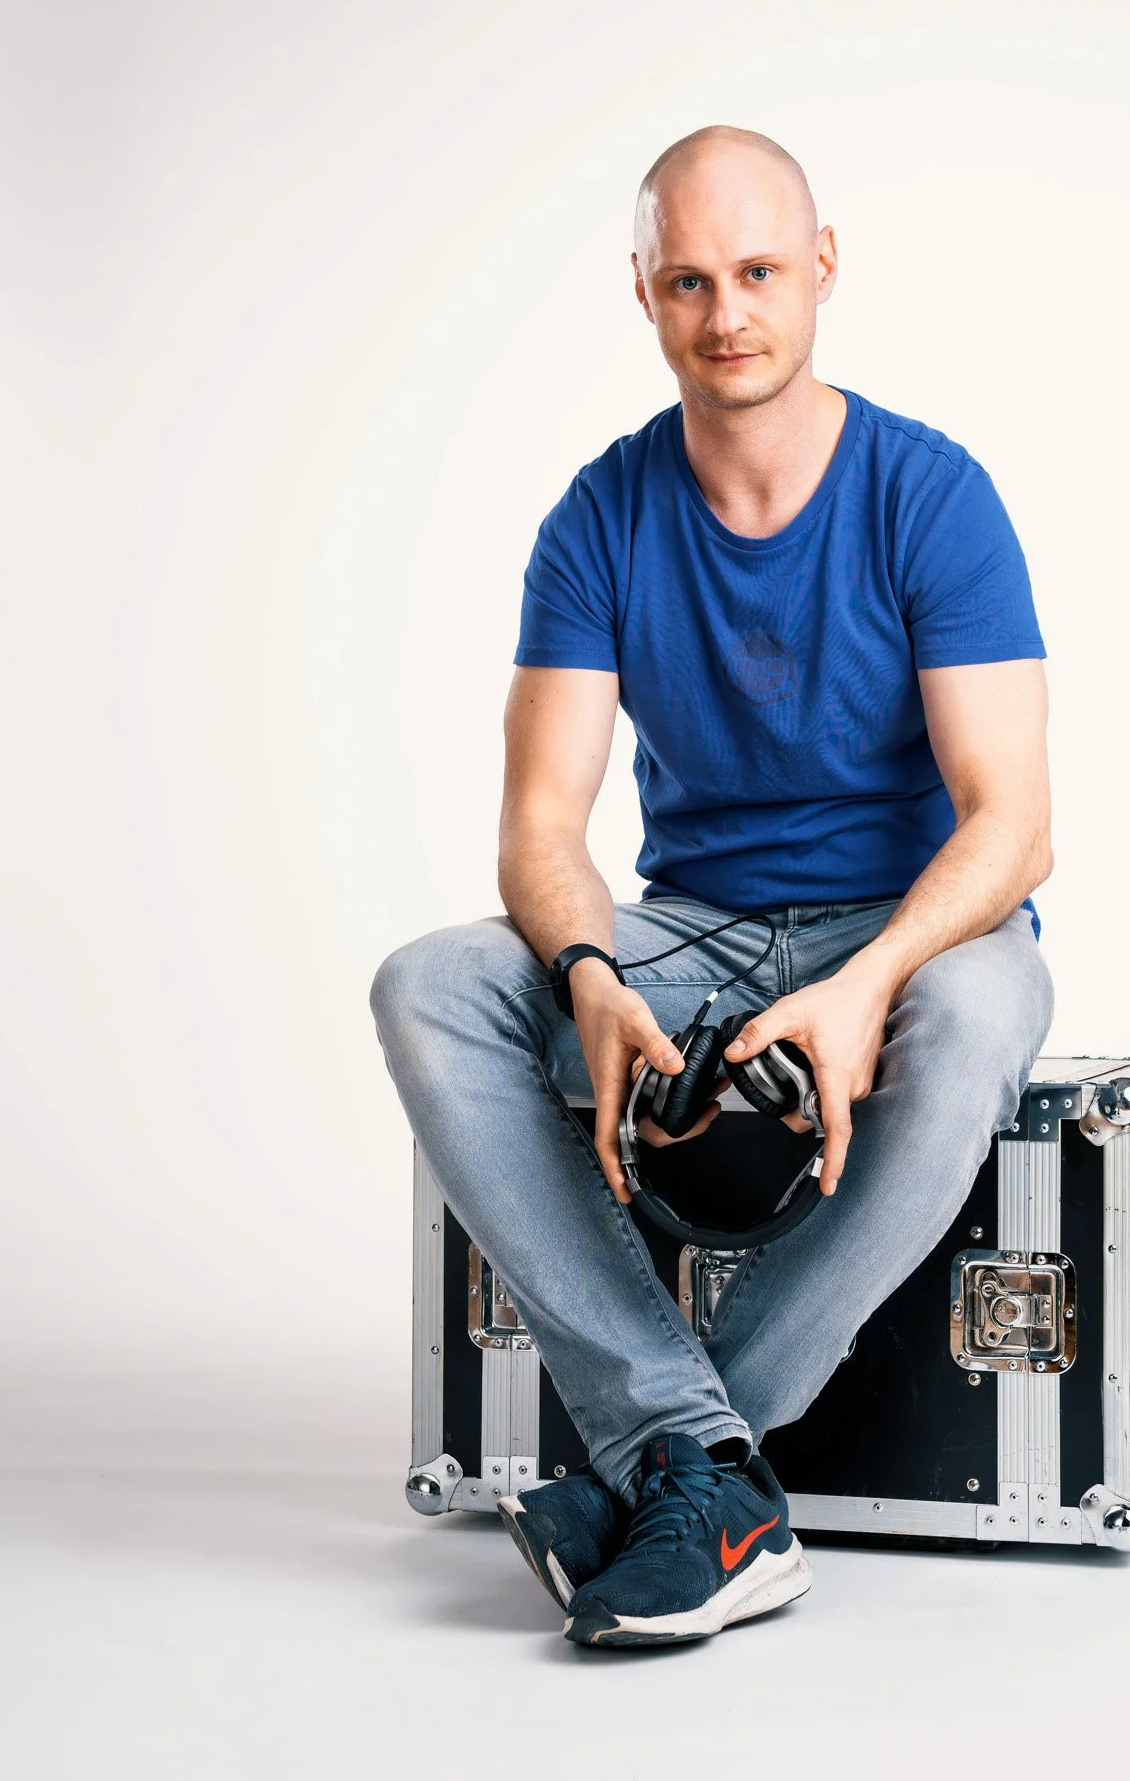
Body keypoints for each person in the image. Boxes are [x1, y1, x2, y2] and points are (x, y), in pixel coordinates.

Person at [370, 125, 1055, 1649]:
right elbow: (543, 826)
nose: (727, 311)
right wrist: (591, 979)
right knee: (431, 984)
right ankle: (711, 1471)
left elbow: (1013, 827)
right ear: (644, 295)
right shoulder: (599, 517)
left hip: (908, 930)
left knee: (979, 1010)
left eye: (756, 271)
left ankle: (678, 1462)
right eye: (690, 280)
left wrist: (870, 982)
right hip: (695, 934)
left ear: (821, 269)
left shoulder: (929, 497)